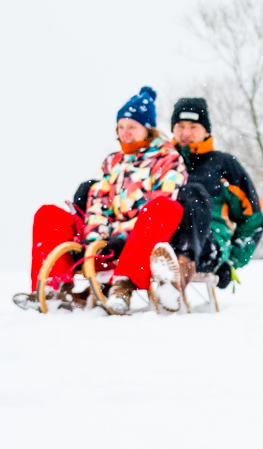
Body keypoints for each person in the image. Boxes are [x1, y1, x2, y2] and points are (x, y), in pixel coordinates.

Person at [18, 86, 188, 313]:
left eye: (132, 127)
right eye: (121, 126)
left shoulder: (169, 159)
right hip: (102, 246)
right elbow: (98, 203)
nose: (125, 132)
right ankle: (53, 289)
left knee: (166, 208)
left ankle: (123, 284)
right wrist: (96, 238)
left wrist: (123, 237)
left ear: (148, 129)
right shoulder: (112, 162)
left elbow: (161, 201)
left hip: (139, 245)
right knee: (49, 214)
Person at [167, 97, 263, 289]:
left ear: (206, 130)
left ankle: (183, 262)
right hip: (165, 240)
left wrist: (231, 261)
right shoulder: (163, 162)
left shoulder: (224, 166)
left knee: (193, 193)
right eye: (180, 126)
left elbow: (253, 219)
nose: (185, 132)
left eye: (193, 126)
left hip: (208, 245)